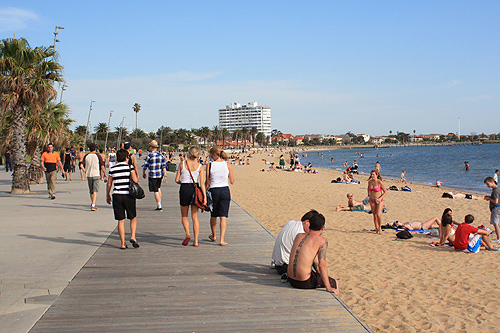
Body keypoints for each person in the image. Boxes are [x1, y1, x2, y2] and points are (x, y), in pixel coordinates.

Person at [287, 211, 339, 295]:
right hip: (304, 282)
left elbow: (313, 260)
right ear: (323, 227)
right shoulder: (322, 241)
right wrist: (328, 287)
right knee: (335, 282)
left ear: (309, 224)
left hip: (291, 279)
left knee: (317, 275)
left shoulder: (299, 236)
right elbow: (322, 265)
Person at [106, 149, 140, 250]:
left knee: (121, 220)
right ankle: (133, 236)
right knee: (133, 217)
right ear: (126, 158)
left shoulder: (113, 168)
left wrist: (107, 195)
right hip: (128, 195)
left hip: (117, 195)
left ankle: (122, 243)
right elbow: (135, 180)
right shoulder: (130, 167)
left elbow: (109, 184)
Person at [174, 146, 207, 247]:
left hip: (184, 188)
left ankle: (188, 234)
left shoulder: (182, 164)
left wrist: (182, 182)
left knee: (184, 215)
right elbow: (202, 183)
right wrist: (204, 197)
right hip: (195, 189)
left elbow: (176, 180)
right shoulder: (200, 166)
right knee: (195, 217)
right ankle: (196, 241)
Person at [206, 146, 235, 246]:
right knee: (223, 216)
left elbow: (207, 181)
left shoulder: (210, 165)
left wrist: (204, 191)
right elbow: (232, 181)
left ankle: (214, 235)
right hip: (225, 190)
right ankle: (222, 240)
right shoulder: (227, 164)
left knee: (213, 215)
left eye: (210, 155)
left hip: (214, 190)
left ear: (214, 155)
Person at [271, 211, 315, 277]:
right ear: (307, 222)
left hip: (278, 264)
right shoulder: (300, 234)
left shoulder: (291, 223)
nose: (312, 231)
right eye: (312, 227)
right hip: (285, 267)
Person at [142, 140, 167, 211]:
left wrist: (143, 172)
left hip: (152, 175)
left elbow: (145, 165)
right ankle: (159, 201)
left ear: (151, 147)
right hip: (159, 174)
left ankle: (159, 205)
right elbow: (164, 166)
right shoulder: (161, 156)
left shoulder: (150, 155)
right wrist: (165, 174)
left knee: (155, 190)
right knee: (158, 188)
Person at [83, 143, 106, 211]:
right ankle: (93, 204)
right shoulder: (98, 156)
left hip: (89, 175)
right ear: (95, 149)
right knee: (95, 190)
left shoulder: (87, 156)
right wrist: (105, 173)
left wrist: (85, 171)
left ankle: (93, 203)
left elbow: (81, 165)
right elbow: (102, 166)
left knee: (91, 190)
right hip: (96, 174)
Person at [368, 169, 386, 234]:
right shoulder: (369, 182)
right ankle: (376, 228)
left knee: (378, 214)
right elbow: (368, 189)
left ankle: (380, 228)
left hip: (379, 200)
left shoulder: (379, 182)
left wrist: (380, 198)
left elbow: (385, 192)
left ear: (377, 175)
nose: (372, 176)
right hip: (372, 200)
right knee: (374, 215)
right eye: (371, 174)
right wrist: (369, 196)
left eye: (373, 174)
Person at [484, 177, 500, 243]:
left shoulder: (496, 190)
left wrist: (489, 199)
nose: (488, 186)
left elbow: (496, 201)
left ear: (492, 182)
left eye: (488, 184)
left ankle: (498, 238)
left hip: (496, 207)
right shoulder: (497, 188)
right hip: (498, 207)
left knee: (495, 223)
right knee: (498, 223)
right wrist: (490, 197)